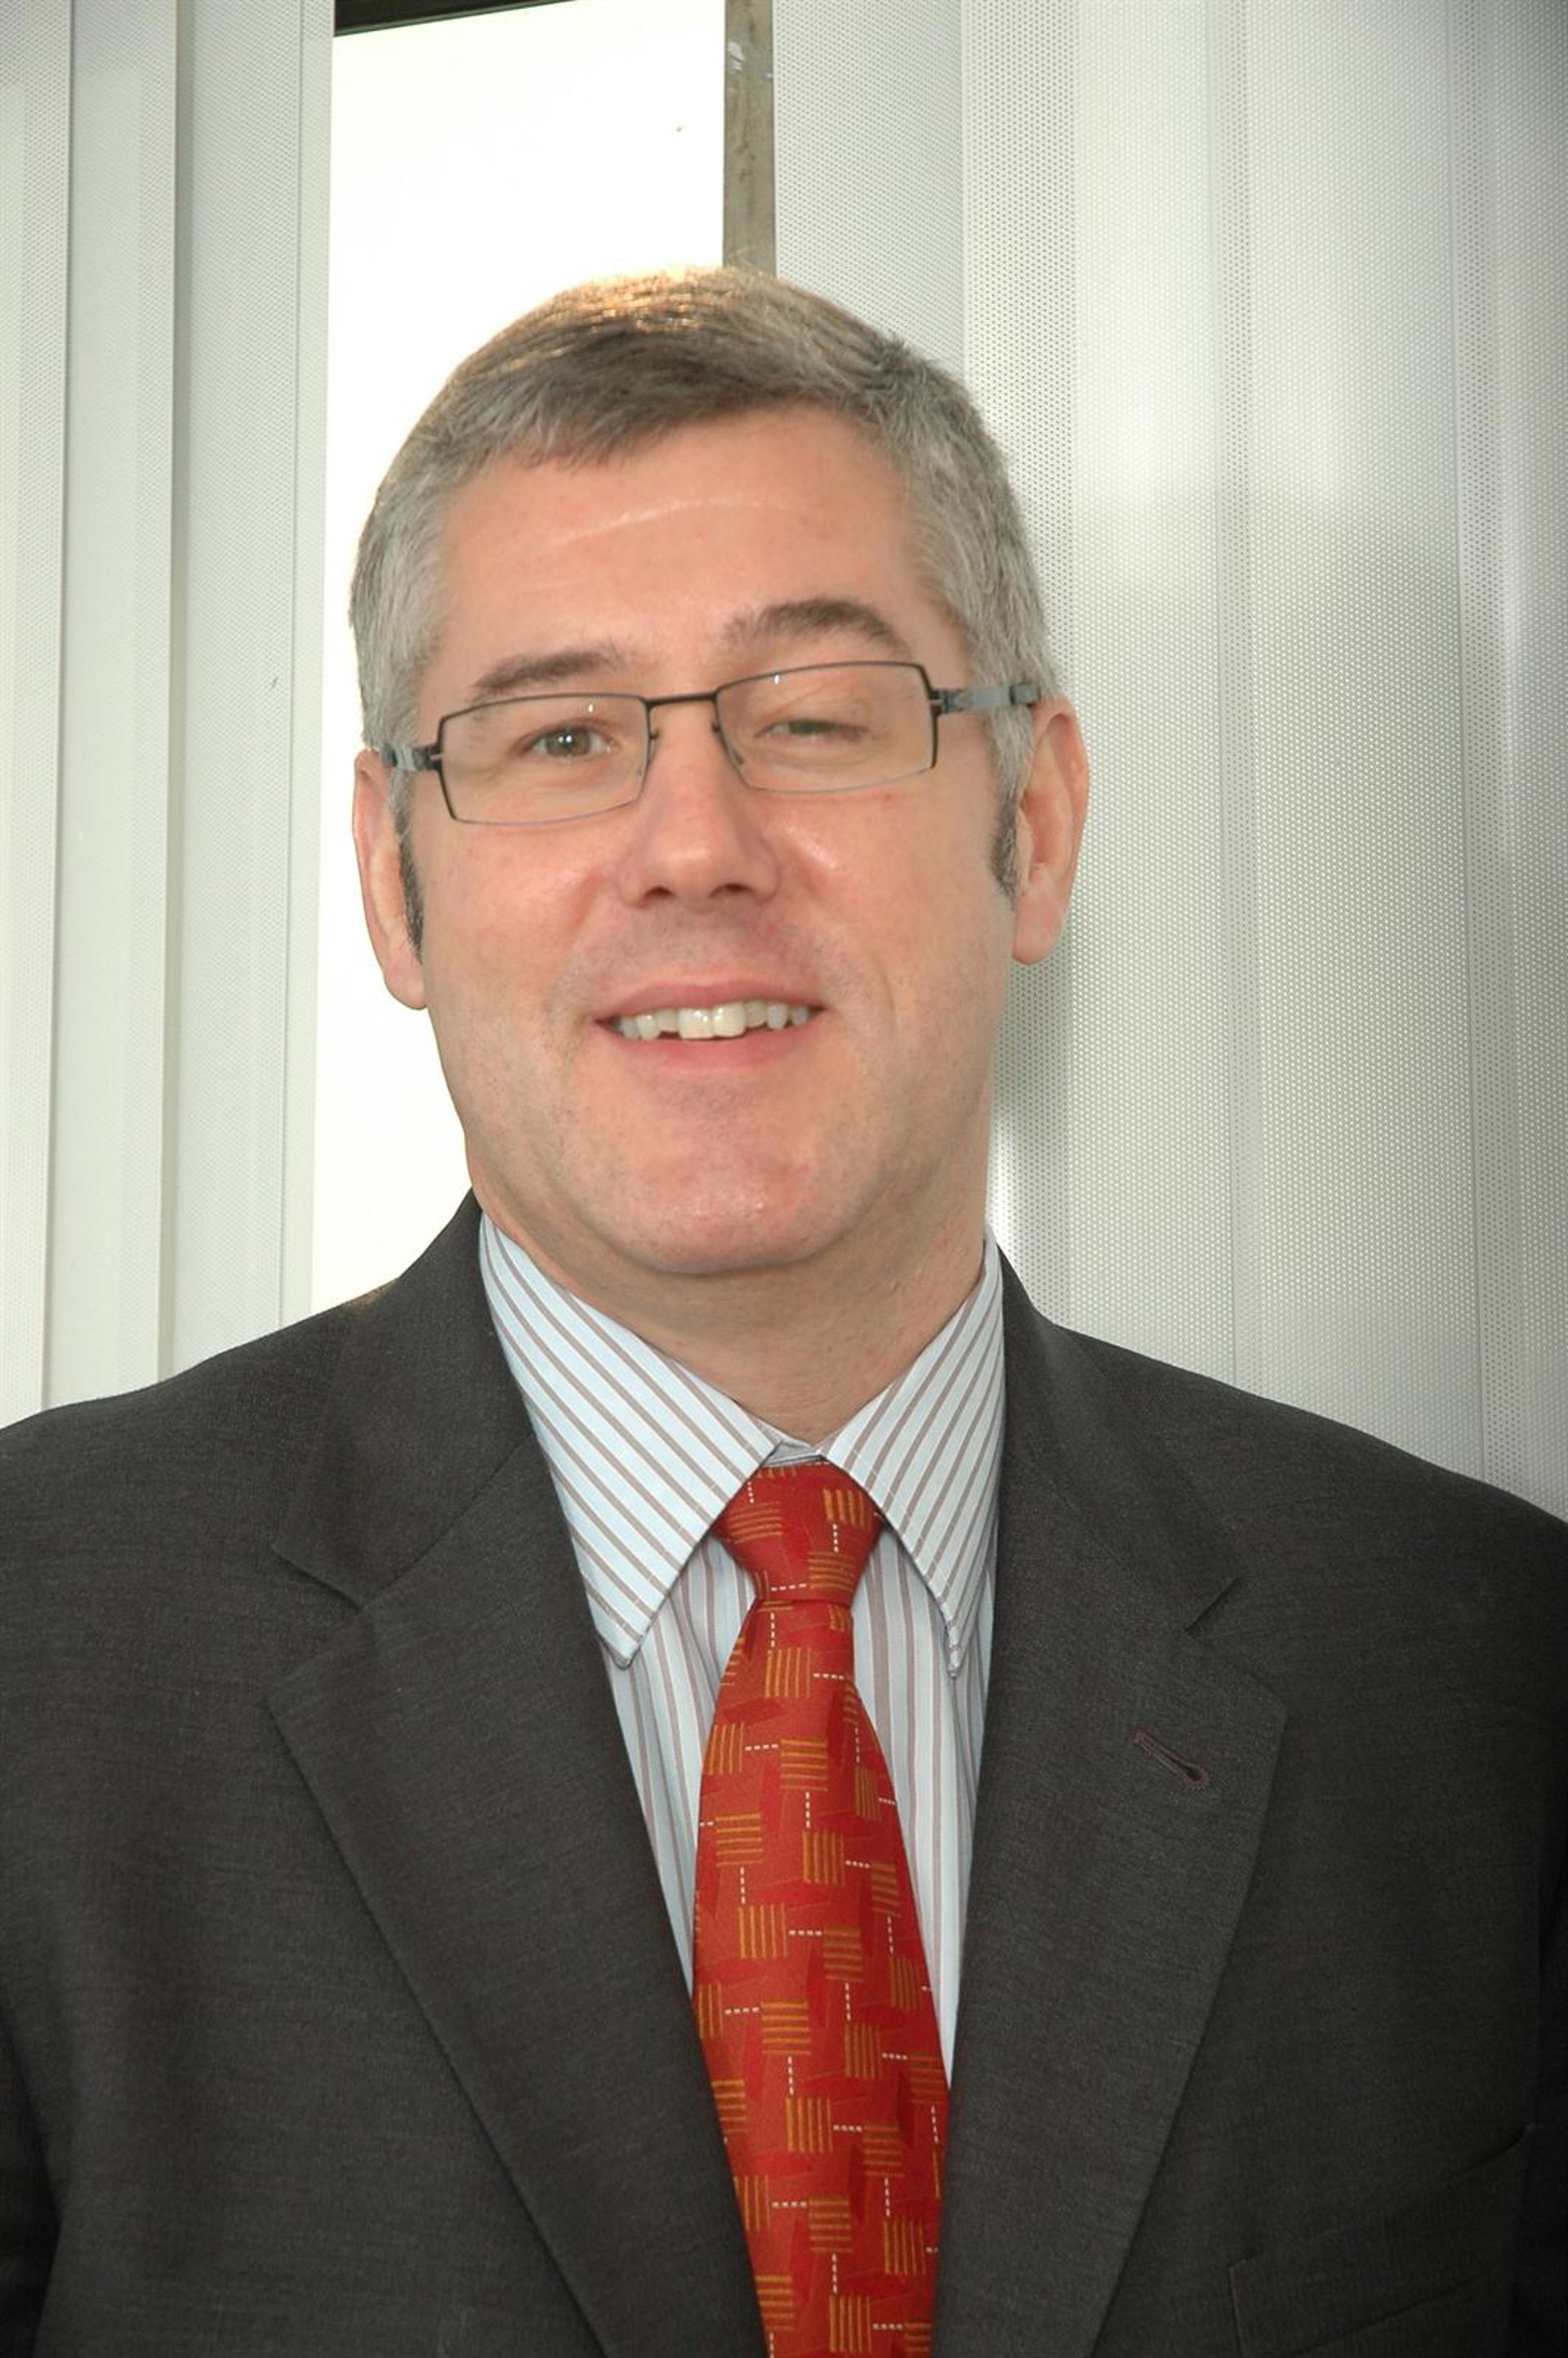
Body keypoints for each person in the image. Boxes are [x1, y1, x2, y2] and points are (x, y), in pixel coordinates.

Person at [0, 268, 1562, 2358]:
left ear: (1034, 825)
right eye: (561, 737)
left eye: (816, 717)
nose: (695, 846)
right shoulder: (42, 1656)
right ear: (393, 879)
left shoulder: (1476, 1679)